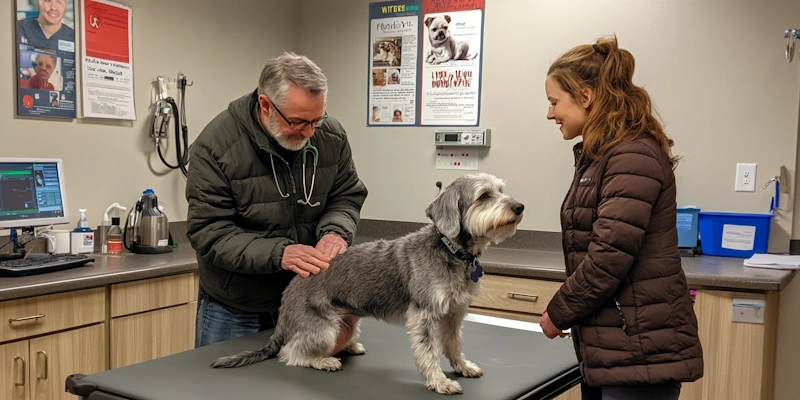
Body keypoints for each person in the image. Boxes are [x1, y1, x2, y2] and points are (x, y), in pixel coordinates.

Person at [539, 35, 703, 400]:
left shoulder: (631, 155)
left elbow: (608, 258)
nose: (550, 114)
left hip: (639, 351)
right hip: (614, 348)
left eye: (554, 102)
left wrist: (559, 311)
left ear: (585, 97)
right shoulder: (603, 155)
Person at [185, 51, 369, 348]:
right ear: (265, 105)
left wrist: (336, 231)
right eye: (298, 122)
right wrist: (280, 253)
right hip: (236, 307)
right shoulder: (216, 146)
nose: (309, 133)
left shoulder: (330, 136)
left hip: (308, 299)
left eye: (316, 121)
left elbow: (346, 194)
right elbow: (209, 231)